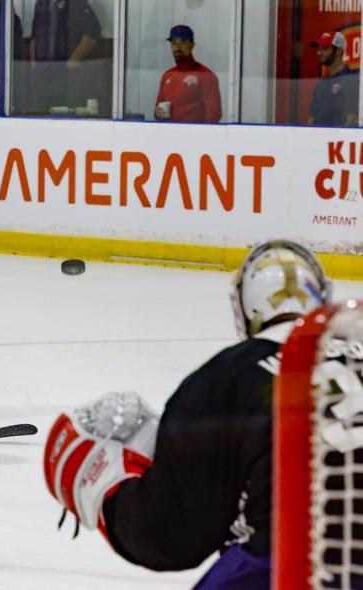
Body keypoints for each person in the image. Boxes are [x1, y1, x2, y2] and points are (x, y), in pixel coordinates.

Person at [43, 240, 332, 589]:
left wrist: (108, 494)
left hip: (288, 564)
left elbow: (172, 535)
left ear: (244, 311)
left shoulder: (226, 379)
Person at [154, 25, 222, 123]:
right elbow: (158, 111)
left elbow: (213, 115)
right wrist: (158, 113)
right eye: (173, 42)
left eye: (183, 42)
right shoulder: (167, 76)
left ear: (192, 45)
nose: (177, 47)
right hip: (168, 135)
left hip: (193, 136)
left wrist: (198, 136)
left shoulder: (205, 76)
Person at [307, 31, 360, 127]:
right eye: (319, 48)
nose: (319, 52)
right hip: (317, 138)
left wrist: (337, 138)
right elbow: (312, 117)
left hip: (336, 140)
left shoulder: (351, 79)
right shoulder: (321, 83)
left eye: (325, 48)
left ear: (339, 51)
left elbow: (352, 118)